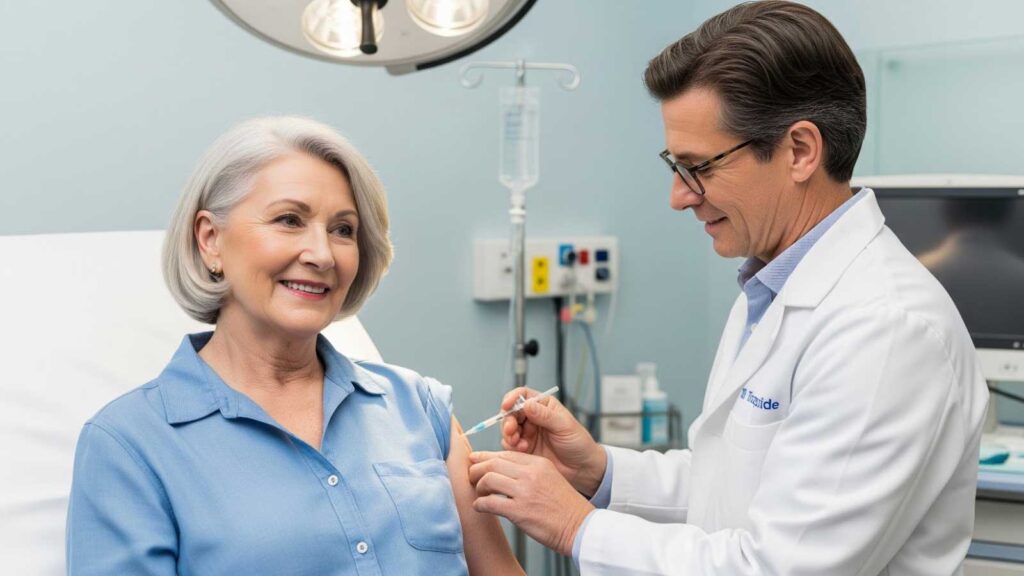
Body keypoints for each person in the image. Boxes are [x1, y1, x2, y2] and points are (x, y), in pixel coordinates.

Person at [467, 2, 990, 574]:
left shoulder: (884, 328)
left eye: (700, 167)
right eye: (674, 165)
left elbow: (782, 566)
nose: (679, 195)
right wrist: (598, 471)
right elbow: (735, 489)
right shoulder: (771, 286)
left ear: (799, 150)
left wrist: (575, 526)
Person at [66, 116, 523, 576]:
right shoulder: (129, 445)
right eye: (289, 220)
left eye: (343, 230)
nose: (322, 254)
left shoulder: (419, 409)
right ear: (210, 240)